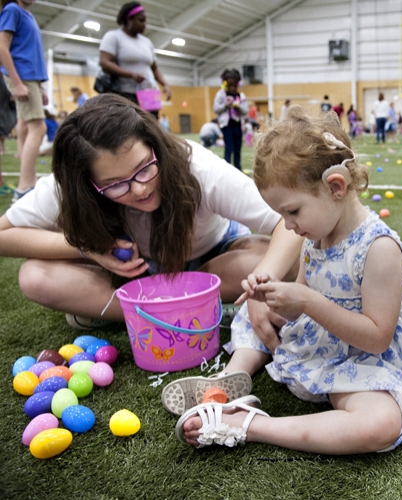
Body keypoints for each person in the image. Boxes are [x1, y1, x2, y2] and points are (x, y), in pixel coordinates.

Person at [171, 105, 402, 454]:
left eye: (293, 211)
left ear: (336, 187)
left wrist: (306, 302)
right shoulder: (316, 235)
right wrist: (275, 298)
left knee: (381, 423)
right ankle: (227, 382)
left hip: (363, 360)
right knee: (252, 314)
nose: (287, 226)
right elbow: (300, 297)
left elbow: (377, 338)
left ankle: (251, 424)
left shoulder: (379, 248)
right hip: (319, 341)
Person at [0, 94, 302, 332]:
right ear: (88, 186)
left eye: (144, 168)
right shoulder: (67, 187)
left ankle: (133, 313)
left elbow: (285, 223)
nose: (140, 189)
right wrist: (88, 248)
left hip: (214, 260)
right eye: (115, 185)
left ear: (155, 146)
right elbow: (4, 234)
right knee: (34, 276)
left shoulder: (198, 166)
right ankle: (191, 310)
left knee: (280, 258)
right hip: (131, 276)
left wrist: (262, 284)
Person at [0, 0, 48, 203]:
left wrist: (41, 86)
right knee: (39, 128)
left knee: (24, 127)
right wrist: (18, 83)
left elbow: (31, 53)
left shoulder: (28, 15)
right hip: (22, 76)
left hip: (31, 77)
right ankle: (24, 187)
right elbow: (2, 47)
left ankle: (28, 180)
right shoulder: (12, 10)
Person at [99, 2, 171, 117]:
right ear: (129, 20)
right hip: (127, 93)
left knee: (152, 127)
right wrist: (131, 74)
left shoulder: (146, 42)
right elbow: (104, 62)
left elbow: (154, 68)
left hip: (149, 94)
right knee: (131, 128)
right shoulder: (114, 37)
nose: (144, 24)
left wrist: (165, 84)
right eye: (141, 20)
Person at [213, 68, 248, 171]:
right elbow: (215, 108)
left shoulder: (241, 96)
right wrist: (226, 105)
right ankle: (226, 170)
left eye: (234, 85)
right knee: (229, 149)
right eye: (230, 85)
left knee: (238, 149)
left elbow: (245, 110)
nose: (232, 88)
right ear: (225, 84)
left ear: (238, 84)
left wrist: (238, 107)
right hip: (227, 127)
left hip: (238, 126)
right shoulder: (221, 94)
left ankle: (238, 169)